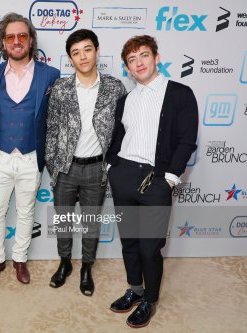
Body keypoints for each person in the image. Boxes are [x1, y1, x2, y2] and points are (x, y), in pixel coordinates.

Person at [106, 35, 198, 328]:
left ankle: (150, 299)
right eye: (132, 60)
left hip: (155, 180)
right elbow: (118, 137)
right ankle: (135, 289)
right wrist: (111, 166)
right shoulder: (126, 100)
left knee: (149, 247)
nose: (138, 63)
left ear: (156, 57)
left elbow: (186, 140)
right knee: (130, 242)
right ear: (128, 68)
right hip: (123, 176)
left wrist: (169, 179)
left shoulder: (179, 93)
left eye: (143, 55)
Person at [45, 29, 126, 295]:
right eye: (76, 53)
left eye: (87, 49)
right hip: (66, 168)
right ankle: (65, 262)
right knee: (64, 221)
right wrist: (54, 167)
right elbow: (52, 130)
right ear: (70, 59)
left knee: (91, 222)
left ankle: (86, 267)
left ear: (97, 51)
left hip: (97, 169)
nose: (83, 56)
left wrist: (111, 165)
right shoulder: (60, 89)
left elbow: (122, 131)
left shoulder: (115, 88)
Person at [0, 12, 60, 284]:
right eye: (10, 36)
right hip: (0, 156)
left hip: (31, 157)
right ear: (3, 42)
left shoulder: (50, 74)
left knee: (26, 211)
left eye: (22, 36)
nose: (16, 41)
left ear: (31, 41)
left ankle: (20, 260)